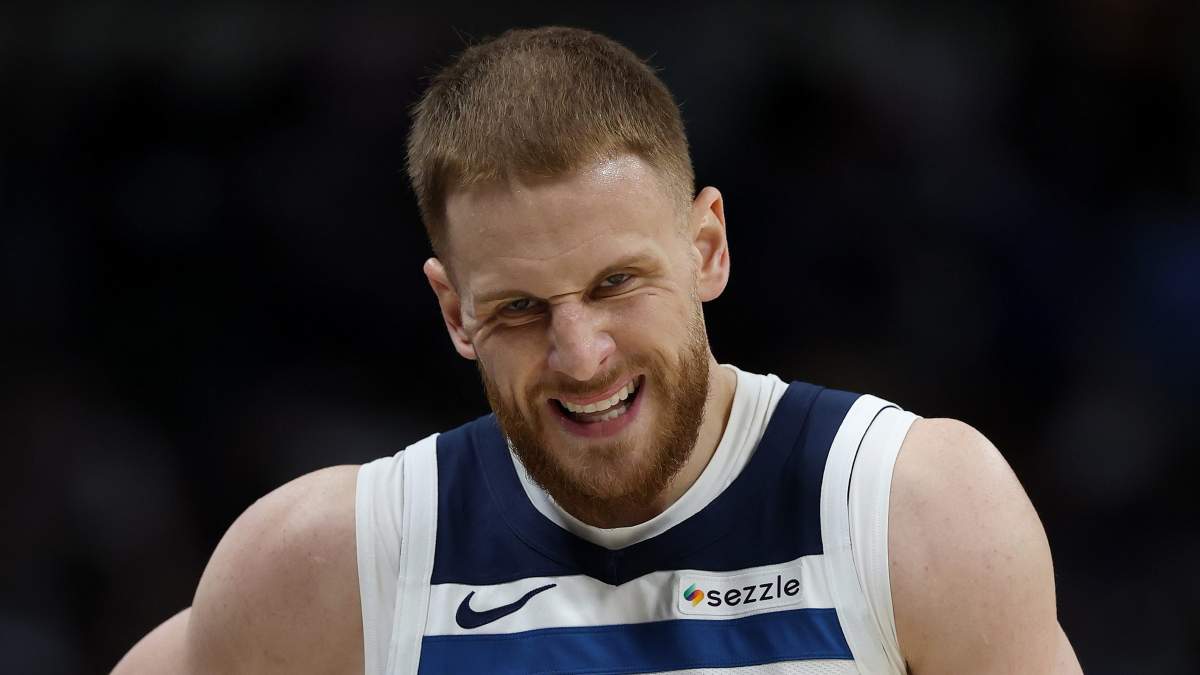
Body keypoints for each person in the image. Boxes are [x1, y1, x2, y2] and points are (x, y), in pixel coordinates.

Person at [115, 26, 1083, 674]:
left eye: (617, 282)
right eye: (520, 308)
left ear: (707, 248)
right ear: (454, 311)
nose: (580, 356)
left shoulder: (914, 510)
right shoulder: (329, 564)